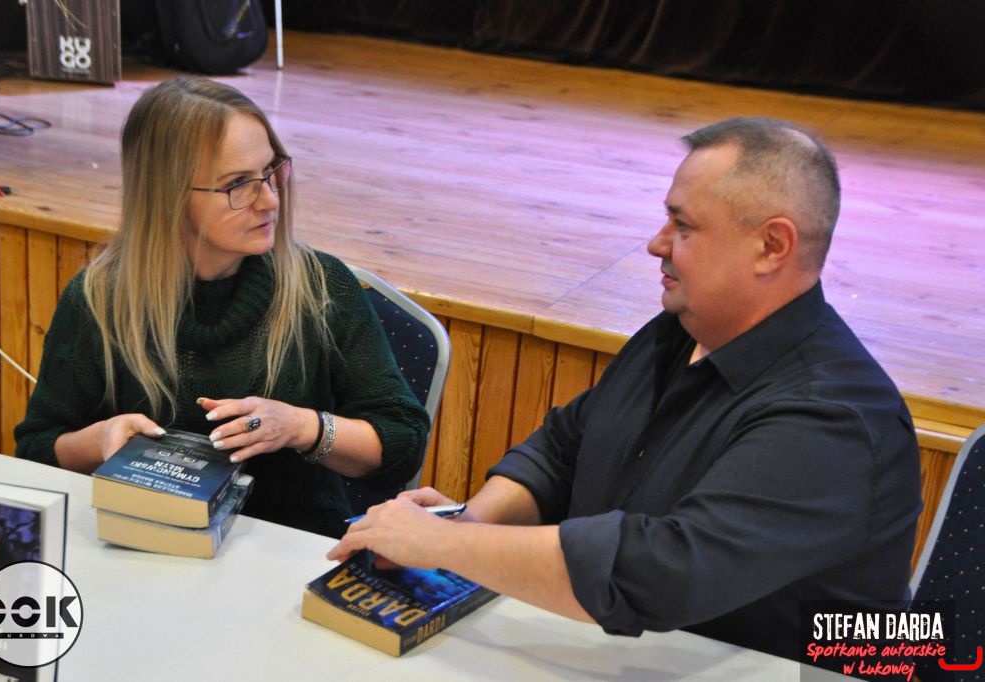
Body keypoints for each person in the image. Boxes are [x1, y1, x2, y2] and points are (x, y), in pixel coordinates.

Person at [328, 117, 923, 660]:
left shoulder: (834, 418)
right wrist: (471, 524)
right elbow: (564, 448)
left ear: (772, 246)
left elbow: (659, 573)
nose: (657, 243)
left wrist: (442, 546)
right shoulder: (680, 330)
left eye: (684, 226)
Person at [15, 76, 429, 538]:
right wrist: (99, 441)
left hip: (286, 547)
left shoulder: (320, 287)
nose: (269, 199)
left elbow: (403, 442)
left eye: (270, 172)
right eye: (238, 184)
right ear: (168, 195)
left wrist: (301, 427)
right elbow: (36, 450)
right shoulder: (100, 298)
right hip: (142, 542)